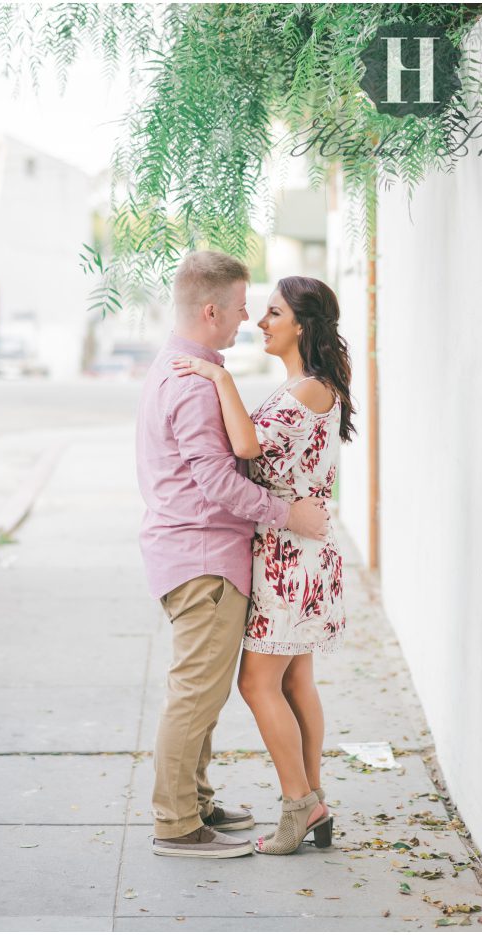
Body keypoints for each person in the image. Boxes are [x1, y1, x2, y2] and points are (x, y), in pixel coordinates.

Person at [135, 250, 330, 858]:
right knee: (196, 693)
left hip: (200, 553)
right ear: (211, 308)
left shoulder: (184, 366)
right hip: (203, 557)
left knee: (208, 691)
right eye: (245, 307)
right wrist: (288, 514)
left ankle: (196, 799)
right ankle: (178, 824)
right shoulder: (193, 381)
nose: (249, 318)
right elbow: (219, 481)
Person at [171, 275, 354, 855]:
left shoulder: (311, 390)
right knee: (295, 680)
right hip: (295, 551)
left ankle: (301, 806)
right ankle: (313, 797)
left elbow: (247, 448)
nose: (260, 322)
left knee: (258, 683)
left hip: (288, 558)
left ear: (300, 324)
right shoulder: (305, 385)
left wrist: (219, 377)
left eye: (273, 313)